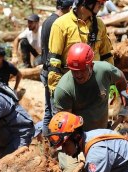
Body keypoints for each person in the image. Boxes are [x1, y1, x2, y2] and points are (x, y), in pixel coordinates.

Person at [53, 42, 128, 172]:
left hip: (101, 136)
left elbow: (122, 81)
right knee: (73, 170)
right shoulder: (64, 90)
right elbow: (63, 125)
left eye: (82, 70)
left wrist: (125, 101)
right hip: (73, 138)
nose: (78, 75)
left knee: (112, 165)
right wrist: (79, 149)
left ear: (91, 65)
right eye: (74, 71)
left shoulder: (104, 70)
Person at [47, 0, 114, 97]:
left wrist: (111, 82)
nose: (101, 5)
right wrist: (57, 90)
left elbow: (106, 56)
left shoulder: (99, 25)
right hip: (70, 89)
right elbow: (54, 62)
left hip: (94, 89)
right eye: (98, 2)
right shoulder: (60, 25)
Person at [40, 0, 74, 135]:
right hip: (52, 72)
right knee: (56, 111)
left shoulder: (48, 21)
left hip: (47, 70)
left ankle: (48, 142)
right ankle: (55, 142)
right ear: (69, 8)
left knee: (49, 110)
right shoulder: (57, 23)